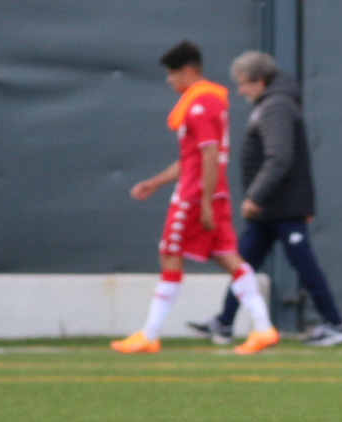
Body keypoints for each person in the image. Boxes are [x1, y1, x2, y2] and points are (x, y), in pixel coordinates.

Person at [112, 41, 279, 355]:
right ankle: (263, 327)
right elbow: (193, 157)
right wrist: (156, 182)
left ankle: (150, 334)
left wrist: (204, 202)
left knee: (169, 253)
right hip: (212, 191)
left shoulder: (199, 104)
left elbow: (209, 155)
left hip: (195, 195)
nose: (169, 80)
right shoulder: (208, 100)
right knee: (227, 256)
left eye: (172, 73)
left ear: (188, 71)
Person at [187, 51, 342, 347]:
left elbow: (279, 157)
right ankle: (224, 322)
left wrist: (255, 196)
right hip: (271, 208)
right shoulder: (272, 104)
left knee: (302, 263)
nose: (240, 91)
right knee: (242, 262)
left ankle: (335, 323)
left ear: (260, 80)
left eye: (244, 83)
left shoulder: (276, 107)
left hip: (283, 206)